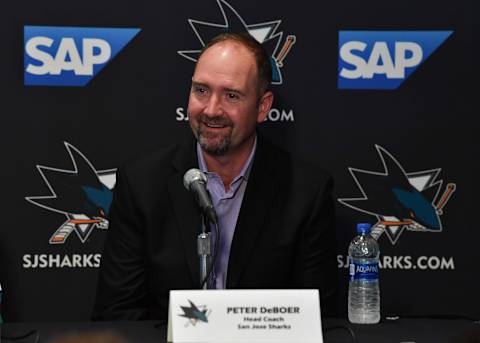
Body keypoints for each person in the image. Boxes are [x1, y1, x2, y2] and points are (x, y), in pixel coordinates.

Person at [93, 32, 337, 321]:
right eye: (201, 91)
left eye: (231, 95)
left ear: (262, 106)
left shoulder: (306, 192)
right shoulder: (142, 183)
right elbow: (118, 314)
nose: (211, 110)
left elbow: (314, 319)